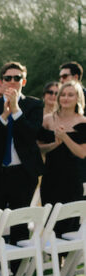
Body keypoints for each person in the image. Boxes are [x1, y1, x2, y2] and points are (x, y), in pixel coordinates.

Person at [0, 62, 43, 239]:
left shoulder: (34, 105)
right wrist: (4, 116)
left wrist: (15, 110)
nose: (13, 81)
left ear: (24, 82)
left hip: (23, 174)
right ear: (2, 82)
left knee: (19, 227)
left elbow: (31, 135)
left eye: (17, 78)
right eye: (8, 78)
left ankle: (17, 267)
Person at [37, 79, 86, 234]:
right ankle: (53, 257)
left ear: (78, 98)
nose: (65, 98)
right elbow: (38, 149)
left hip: (72, 180)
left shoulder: (83, 122)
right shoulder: (47, 120)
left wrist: (65, 138)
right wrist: (54, 144)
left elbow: (82, 153)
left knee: (69, 227)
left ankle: (68, 258)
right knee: (51, 225)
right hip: (50, 178)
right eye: (62, 94)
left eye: (70, 95)